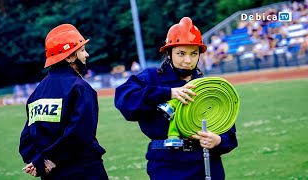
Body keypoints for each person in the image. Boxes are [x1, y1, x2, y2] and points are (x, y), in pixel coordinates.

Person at [114, 17, 238, 179]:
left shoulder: (208, 87)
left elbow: (229, 131)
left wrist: (218, 140)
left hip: (207, 165)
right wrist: (168, 93)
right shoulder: (151, 78)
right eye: (181, 53)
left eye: (194, 54)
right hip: (166, 166)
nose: (187, 60)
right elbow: (125, 101)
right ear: (168, 53)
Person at [19, 24, 108, 179]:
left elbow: (26, 137)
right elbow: (80, 133)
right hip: (84, 170)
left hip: (50, 174)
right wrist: (52, 159)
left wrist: (39, 160)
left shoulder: (36, 93)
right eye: (82, 50)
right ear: (68, 57)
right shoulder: (80, 87)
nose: (86, 55)